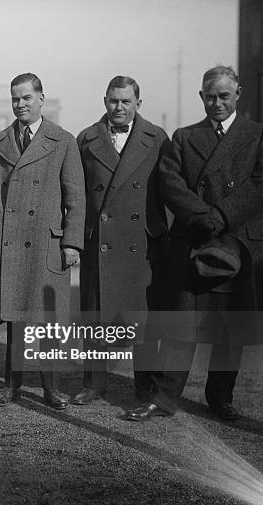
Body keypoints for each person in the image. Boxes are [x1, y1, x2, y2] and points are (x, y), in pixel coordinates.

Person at [127, 65, 263, 422]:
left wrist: (221, 216)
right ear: (201, 97)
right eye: (210, 96)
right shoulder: (185, 137)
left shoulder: (257, 135)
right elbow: (170, 183)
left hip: (235, 243)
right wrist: (202, 216)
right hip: (193, 241)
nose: (216, 103)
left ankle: (221, 398)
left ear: (238, 94)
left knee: (228, 329)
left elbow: (259, 185)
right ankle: (163, 397)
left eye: (224, 96)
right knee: (179, 325)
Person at [0, 73, 85, 409]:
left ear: (41, 98)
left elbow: (76, 197)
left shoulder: (62, 140)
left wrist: (72, 242)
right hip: (10, 240)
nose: (20, 104)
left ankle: (50, 388)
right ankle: (10, 386)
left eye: (26, 98)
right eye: (15, 98)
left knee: (49, 320)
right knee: (15, 319)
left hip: (47, 243)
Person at [75, 76, 169, 405]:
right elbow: (77, 194)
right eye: (114, 101)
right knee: (95, 315)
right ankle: (93, 384)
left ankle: (144, 389)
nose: (119, 107)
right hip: (99, 242)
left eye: (126, 101)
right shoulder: (86, 139)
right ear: (105, 101)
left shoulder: (157, 138)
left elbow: (166, 192)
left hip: (139, 244)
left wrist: (159, 233)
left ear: (138, 104)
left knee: (142, 319)